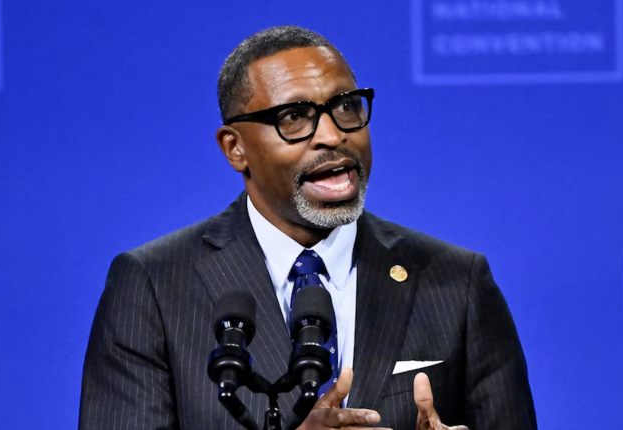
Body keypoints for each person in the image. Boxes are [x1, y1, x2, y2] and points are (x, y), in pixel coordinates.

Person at [79, 25, 536, 430]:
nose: (334, 134)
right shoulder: (154, 287)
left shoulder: (458, 282)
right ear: (235, 148)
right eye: (294, 117)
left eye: (345, 107)